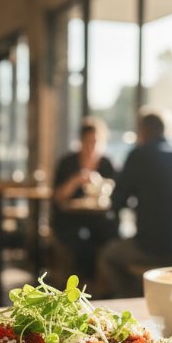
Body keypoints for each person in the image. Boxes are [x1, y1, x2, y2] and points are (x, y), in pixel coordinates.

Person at [98, 108, 172, 297]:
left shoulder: (139, 154)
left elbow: (116, 201)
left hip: (158, 248)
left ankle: (131, 306)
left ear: (142, 131)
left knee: (108, 256)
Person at [51, 117, 119, 284]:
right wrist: (75, 180)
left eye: (95, 142)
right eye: (87, 142)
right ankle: (85, 285)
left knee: (111, 235)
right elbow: (57, 197)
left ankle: (106, 285)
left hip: (98, 218)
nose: (91, 147)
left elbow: (116, 196)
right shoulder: (67, 163)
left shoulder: (107, 164)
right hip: (70, 219)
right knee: (80, 241)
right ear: (80, 141)